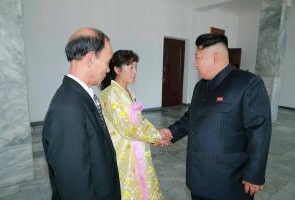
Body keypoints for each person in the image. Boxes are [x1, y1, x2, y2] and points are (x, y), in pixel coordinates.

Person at [159, 33, 272, 200]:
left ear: (215, 58)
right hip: (197, 177)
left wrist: (254, 174)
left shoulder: (247, 83)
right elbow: (192, 117)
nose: (194, 64)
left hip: (228, 181)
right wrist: (172, 132)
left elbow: (259, 131)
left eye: (197, 58)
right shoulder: (200, 87)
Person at [42, 27, 121, 200]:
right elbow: (74, 186)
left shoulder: (80, 95)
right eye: (107, 62)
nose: (108, 70)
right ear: (91, 58)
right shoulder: (67, 110)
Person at [100, 50, 170, 200]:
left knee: (143, 186)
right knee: (129, 189)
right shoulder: (110, 94)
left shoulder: (128, 91)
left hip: (136, 147)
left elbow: (140, 120)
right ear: (117, 69)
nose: (134, 72)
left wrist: (156, 134)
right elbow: (126, 127)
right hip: (124, 152)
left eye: (136, 67)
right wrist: (156, 136)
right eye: (130, 67)